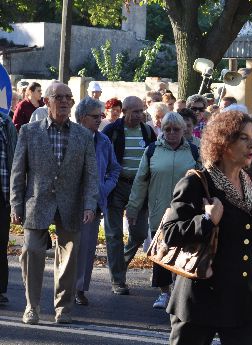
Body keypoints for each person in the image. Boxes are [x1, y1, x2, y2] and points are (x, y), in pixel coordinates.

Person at [143, 110, 252, 345]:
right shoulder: (199, 181)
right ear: (223, 142)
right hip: (199, 299)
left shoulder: (248, 184)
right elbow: (167, 234)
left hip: (240, 300)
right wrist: (206, 220)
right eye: (244, 139)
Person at [10, 82, 99, 325]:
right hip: (36, 202)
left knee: (69, 258)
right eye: (58, 97)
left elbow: (91, 174)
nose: (64, 101)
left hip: (71, 205)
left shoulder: (83, 135)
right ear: (46, 101)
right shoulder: (29, 131)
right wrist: (15, 204)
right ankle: (32, 306)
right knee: (32, 252)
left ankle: (63, 309)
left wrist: (90, 204)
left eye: (68, 97)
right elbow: (18, 172)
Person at [126, 112, 200, 310]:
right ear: (162, 129)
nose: (172, 133)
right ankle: (164, 292)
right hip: (160, 211)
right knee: (161, 251)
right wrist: (133, 208)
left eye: (176, 129)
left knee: (185, 250)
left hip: (188, 211)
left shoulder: (194, 151)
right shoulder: (152, 151)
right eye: (167, 129)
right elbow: (141, 181)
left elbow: (204, 180)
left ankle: (181, 291)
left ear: (183, 130)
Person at [102, 96, 157, 295]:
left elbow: (154, 156)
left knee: (140, 234)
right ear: (124, 111)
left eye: (141, 111)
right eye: (135, 112)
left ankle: (119, 266)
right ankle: (118, 281)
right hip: (116, 187)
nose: (139, 115)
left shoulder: (148, 131)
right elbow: (101, 157)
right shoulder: (112, 130)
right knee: (114, 234)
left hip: (139, 189)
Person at [73, 97, 121, 306]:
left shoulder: (103, 140)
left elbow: (114, 168)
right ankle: (64, 287)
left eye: (101, 116)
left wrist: (103, 188)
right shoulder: (70, 136)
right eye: (96, 116)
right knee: (67, 247)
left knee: (87, 248)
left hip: (93, 204)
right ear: (83, 118)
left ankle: (80, 288)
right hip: (70, 201)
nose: (100, 119)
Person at [0, 110, 17, 304]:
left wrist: (15, 197)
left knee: (0, 242)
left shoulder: (5, 123)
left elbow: (15, 159)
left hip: (2, 193)